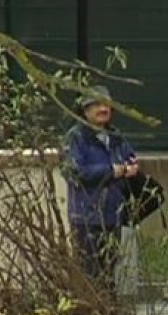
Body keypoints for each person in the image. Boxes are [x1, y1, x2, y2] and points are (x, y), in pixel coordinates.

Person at [62, 85, 140, 293]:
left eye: (106, 105)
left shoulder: (117, 138)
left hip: (113, 216)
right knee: (90, 274)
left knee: (109, 273)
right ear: (85, 111)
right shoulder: (76, 137)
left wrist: (131, 168)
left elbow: (130, 159)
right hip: (87, 217)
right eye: (96, 105)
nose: (102, 109)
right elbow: (73, 171)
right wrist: (111, 171)